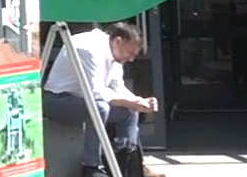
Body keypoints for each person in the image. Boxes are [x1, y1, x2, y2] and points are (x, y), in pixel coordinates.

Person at [40, 21, 161, 177]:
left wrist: (138, 101)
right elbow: (95, 93)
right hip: (58, 100)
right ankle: (91, 166)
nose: (130, 59)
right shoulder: (90, 48)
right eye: (129, 53)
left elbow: (117, 87)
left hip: (82, 101)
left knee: (130, 111)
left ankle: (127, 160)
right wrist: (131, 101)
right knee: (99, 108)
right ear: (118, 41)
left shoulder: (114, 54)